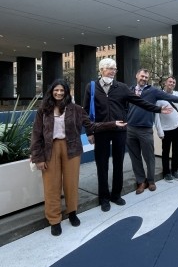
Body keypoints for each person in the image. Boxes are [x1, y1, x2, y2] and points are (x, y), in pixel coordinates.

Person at [83, 59, 178, 212]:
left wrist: (158, 110)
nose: (112, 71)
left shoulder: (121, 87)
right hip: (101, 131)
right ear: (101, 70)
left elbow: (139, 102)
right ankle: (104, 198)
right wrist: (89, 132)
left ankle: (116, 195)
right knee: (102, 165)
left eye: (114, 69)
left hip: (120, 131)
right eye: (109, 68)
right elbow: (86, 111)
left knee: (118, 164)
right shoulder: (91, 87)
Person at [31, 79, 127, 236]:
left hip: (72, 148)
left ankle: (72, 212)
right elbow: (36, 134)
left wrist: (112, 124)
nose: (59, 93)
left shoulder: (75, 109)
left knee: (71, 183)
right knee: (51, 185)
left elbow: (92, 126)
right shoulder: (44, 109)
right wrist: (38, 157)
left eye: (62, 91)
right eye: (56, 90)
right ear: (51, 92)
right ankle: (54, 219)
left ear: (67, 92)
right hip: (50, 149)